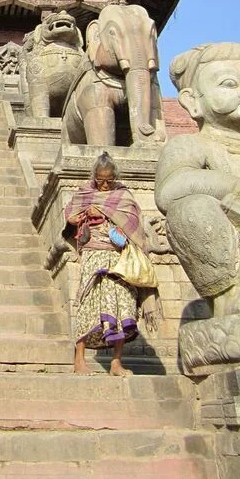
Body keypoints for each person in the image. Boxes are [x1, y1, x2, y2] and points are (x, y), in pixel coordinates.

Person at [156, 42, 240, 317]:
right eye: (229, 84)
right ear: (192, 101)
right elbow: (169, 189)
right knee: (190, 208)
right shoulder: (191, 145)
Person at [65, 151, 160, 376]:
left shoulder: (123, 195)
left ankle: (116, 362)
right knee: (89, 303)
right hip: (93, 253)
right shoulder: (84, 193)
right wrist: (75, 219)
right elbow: (69, 217)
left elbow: (133, 221)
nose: (105, 184)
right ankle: (79, 359)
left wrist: (107, 212)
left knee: (122, 304)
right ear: (94, 177)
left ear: (115, 177)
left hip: (119, 257)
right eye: (100, 180)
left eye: (109, 180)